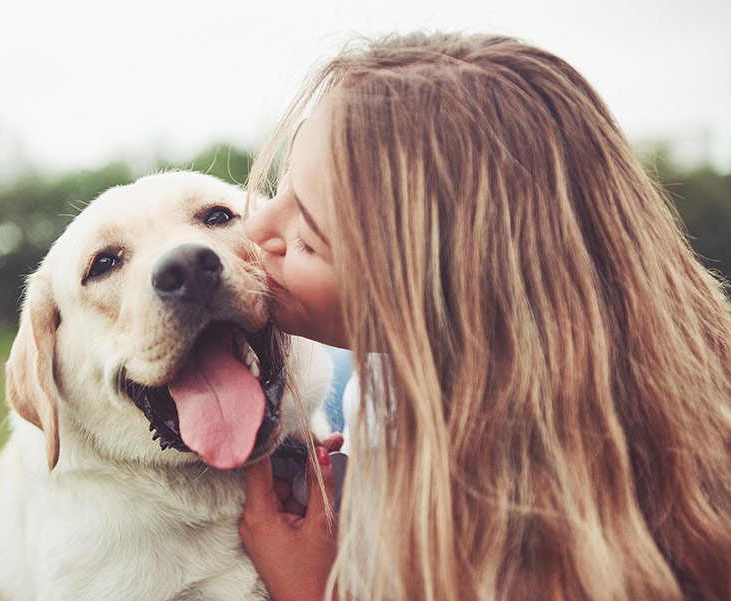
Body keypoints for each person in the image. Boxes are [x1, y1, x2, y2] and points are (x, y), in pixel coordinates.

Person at [238, 31, 731, 601]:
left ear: (429, 296)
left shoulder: (537, 550)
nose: (256, 231)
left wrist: (312, 593)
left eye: (307, 238)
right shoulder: (391, 390)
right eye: (283, 186)